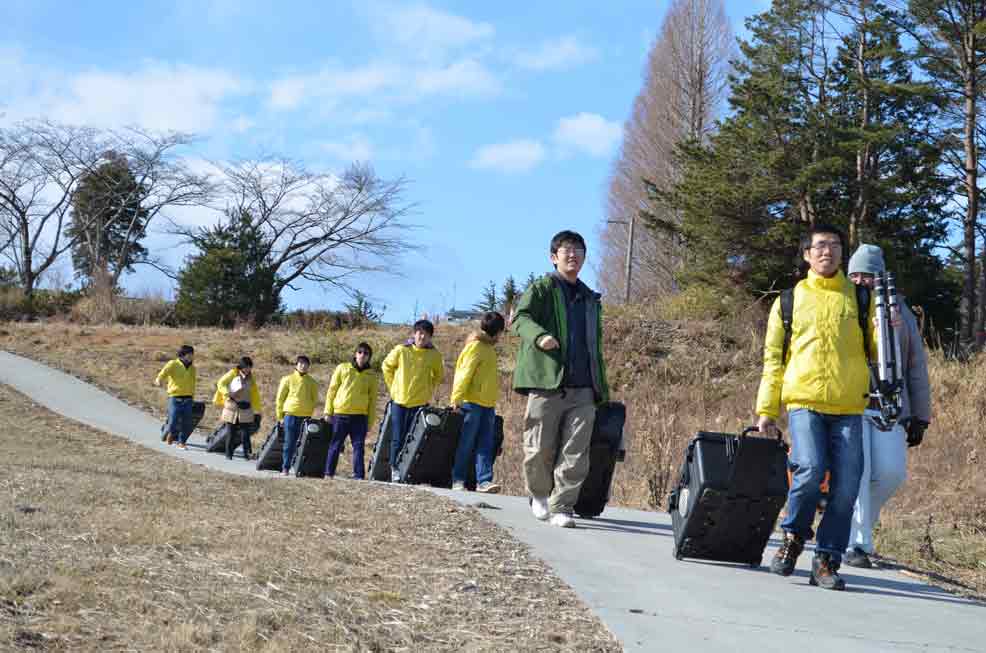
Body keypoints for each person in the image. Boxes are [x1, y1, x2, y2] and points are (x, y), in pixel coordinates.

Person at [756, 223, 874, 591]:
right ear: (807, 254)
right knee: (809, 469)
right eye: (821, 246)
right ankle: (792, 539)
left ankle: (826, 560)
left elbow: (879, 350)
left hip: (849, 405)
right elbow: (773, 358)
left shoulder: (859, 298)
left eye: (836, 246)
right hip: (804, 401)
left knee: (847, 484)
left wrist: (894, 327)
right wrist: (767, 409)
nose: (828, 252)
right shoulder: (789, 300)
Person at [512, 230, 609, 528]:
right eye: (566, 250)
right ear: (554, 257)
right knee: (539, 447)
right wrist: (539, 337)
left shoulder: (590, 298)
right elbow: (520, 318)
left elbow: (595, 346)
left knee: (576, 452)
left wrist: (600, 386)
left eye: (578, 250)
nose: (573, 255)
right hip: (547, 382)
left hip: (583, 386)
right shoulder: (542, 289)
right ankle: (539, 495)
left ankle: (562, 506)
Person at [844, 244, 931, 568]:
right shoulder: (843, 305)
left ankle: (855, 526)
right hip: (850, 403)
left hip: (891, 406)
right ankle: (858, 544)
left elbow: (915, 366)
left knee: (891, 473)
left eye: (867, 274)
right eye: (854, 274)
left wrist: (921, 416)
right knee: (860, 473)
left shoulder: (901, 313)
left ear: (880, 276)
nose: (860, 280)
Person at [450, 311, 507, 493]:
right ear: (496, 331)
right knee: (466, 443)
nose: (501, 336)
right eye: (501, 332)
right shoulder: (475, 346)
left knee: (485, 444)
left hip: (487, 405)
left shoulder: (489, 348)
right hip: (471, 403)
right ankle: (458, 480)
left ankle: (484, 481)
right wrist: (456, 399)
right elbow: (463, 374)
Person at [381, 320, 444, 481]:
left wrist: (428, 390)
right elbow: (386, 366)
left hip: (419, 403)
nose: (422, 337)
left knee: (413, 437)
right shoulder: (401, 350)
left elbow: (438, 376)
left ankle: (408, 470)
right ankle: (394, 468)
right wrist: (393, 387)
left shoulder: (434, 355)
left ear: (430, 337)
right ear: (414, 333)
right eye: (420, 333)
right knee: (397, 436)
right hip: (399, 401)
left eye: (427, 334)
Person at [324, 342, 378, 479]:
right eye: (360, 352)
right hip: (341, 414)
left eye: (366, 353)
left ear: (369, 357)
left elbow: (372, 401)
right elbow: (332, 390)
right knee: (335, 445)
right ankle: (328, 473)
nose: (362, 355)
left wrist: (370, 422)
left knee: (359, 447)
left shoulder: (371, 375)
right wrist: (328, 411)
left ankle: (359, 476)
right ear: (355, 354)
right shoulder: (342, 368)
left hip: (360, 417)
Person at [275, 355, 319, 476]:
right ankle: (285, 468)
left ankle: (299, 468)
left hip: (305, 418)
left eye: (306, 364)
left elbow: (314, 399)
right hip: (290, 415)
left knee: (303, 445)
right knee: (289, 443)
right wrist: (280, 417)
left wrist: (309, 412)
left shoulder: (312, 382)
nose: (303, 366)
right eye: (301, 363)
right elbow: (280, 399)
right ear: (296, 365)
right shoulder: (287, 379)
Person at [214, 357, 262, 461]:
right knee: (231, 432)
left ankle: (247, 455)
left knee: (245, 433)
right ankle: (228, 454)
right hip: (232, 407)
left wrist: (257, 409)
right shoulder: (232, 373)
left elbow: (254, 394)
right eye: (246, 367)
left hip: (245, 408)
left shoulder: (251, 378)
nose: (248, 369)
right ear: (241, 366)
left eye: (250, 367)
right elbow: (221, 383)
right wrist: (227, 393)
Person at [154, 345, 197, 449]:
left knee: (187, 422)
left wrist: (192, 396)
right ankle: (171, 433)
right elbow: (163, 374)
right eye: (189, 354)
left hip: (188, 398)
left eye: (192, 354)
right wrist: (158, 380)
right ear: (183, 354)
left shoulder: (192, 368)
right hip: (175, 397)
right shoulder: (173, 364)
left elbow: (193, 382)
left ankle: (182, 442)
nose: (192, 356)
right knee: (173, 420)